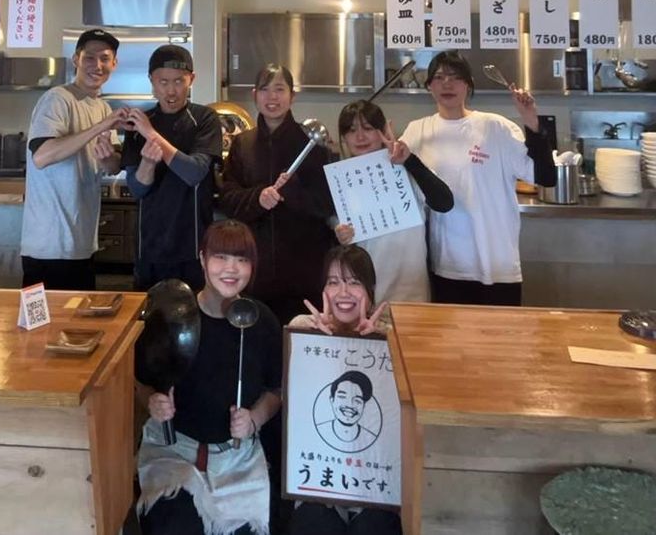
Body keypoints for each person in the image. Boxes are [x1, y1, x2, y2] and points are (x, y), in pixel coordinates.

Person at [136, 220, 282, 535]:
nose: (231, 268)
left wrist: (254, 419)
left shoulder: (262, 322)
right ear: (202, 259)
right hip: (172, 450)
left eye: (242, 259)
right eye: (221, 257)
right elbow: (138, 381)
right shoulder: (172, 316)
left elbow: (276, 390)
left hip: (238, 458)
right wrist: (151, 402)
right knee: (174, 524)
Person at [401, 51, 557, 306]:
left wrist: (531, 121)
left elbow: (546, 177)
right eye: (439, 77)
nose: (447, 84)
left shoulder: (496, 127)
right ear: (429, 86)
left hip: (496, 267)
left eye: (455, 77)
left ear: (468, 84)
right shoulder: (417, 131)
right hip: (447, 266)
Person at [288, 244, 402, 535]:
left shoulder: (391, 333)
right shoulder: (303, 328)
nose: (343, 293)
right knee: (313, 522)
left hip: (375, 478)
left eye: (354, 282)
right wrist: (317, 339)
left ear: (371, 290)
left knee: (374, 526)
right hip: (319, 476)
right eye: (333, 282)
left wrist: (381, 343)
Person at [219, 63, 335, 325]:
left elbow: (326, 206)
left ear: (292, 96)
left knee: (301, 340)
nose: (272, 97)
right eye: (265, 89)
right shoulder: (242, 144)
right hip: (253, 273)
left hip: (305, 274)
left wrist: (292, 191)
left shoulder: (313, 145)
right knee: (258, 340)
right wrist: (258, 198)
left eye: (280, 89)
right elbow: (228, 199)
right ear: (254, 95)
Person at [20, 28, 126, 291]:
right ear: (76, 59)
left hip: (81, 246)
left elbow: (112, 166)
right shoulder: (57, 99)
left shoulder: (102, 107)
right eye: (89, 57)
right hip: (48, 248)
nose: (97, 65)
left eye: (105, 58)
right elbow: (42, 156)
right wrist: (99, 127)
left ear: (114, 64)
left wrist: (109, 158)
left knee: (78, 317)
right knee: (42, 318)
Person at [122, 45, 222, 291]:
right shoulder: (138, 124)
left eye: (179, 81)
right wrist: (147, 164)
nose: (171, 90)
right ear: (152, 81)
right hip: (149, 246)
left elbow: (194, 173)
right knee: (149, 313)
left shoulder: (205, 119)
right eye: (163, 82)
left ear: (191, 80)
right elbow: (136, 189)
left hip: (193, 247)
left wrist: (151, 134)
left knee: (195, 312)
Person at [335, 99, 453, 303]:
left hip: (411, 293)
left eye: (368, 128)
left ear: (382, 131)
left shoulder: (408, 168)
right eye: (351, 130)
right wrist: (342, 236)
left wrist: (409, 161)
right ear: (344, 137)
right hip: (365, 297)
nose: (360, 137)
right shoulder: (340, 180)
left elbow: (444, 202)